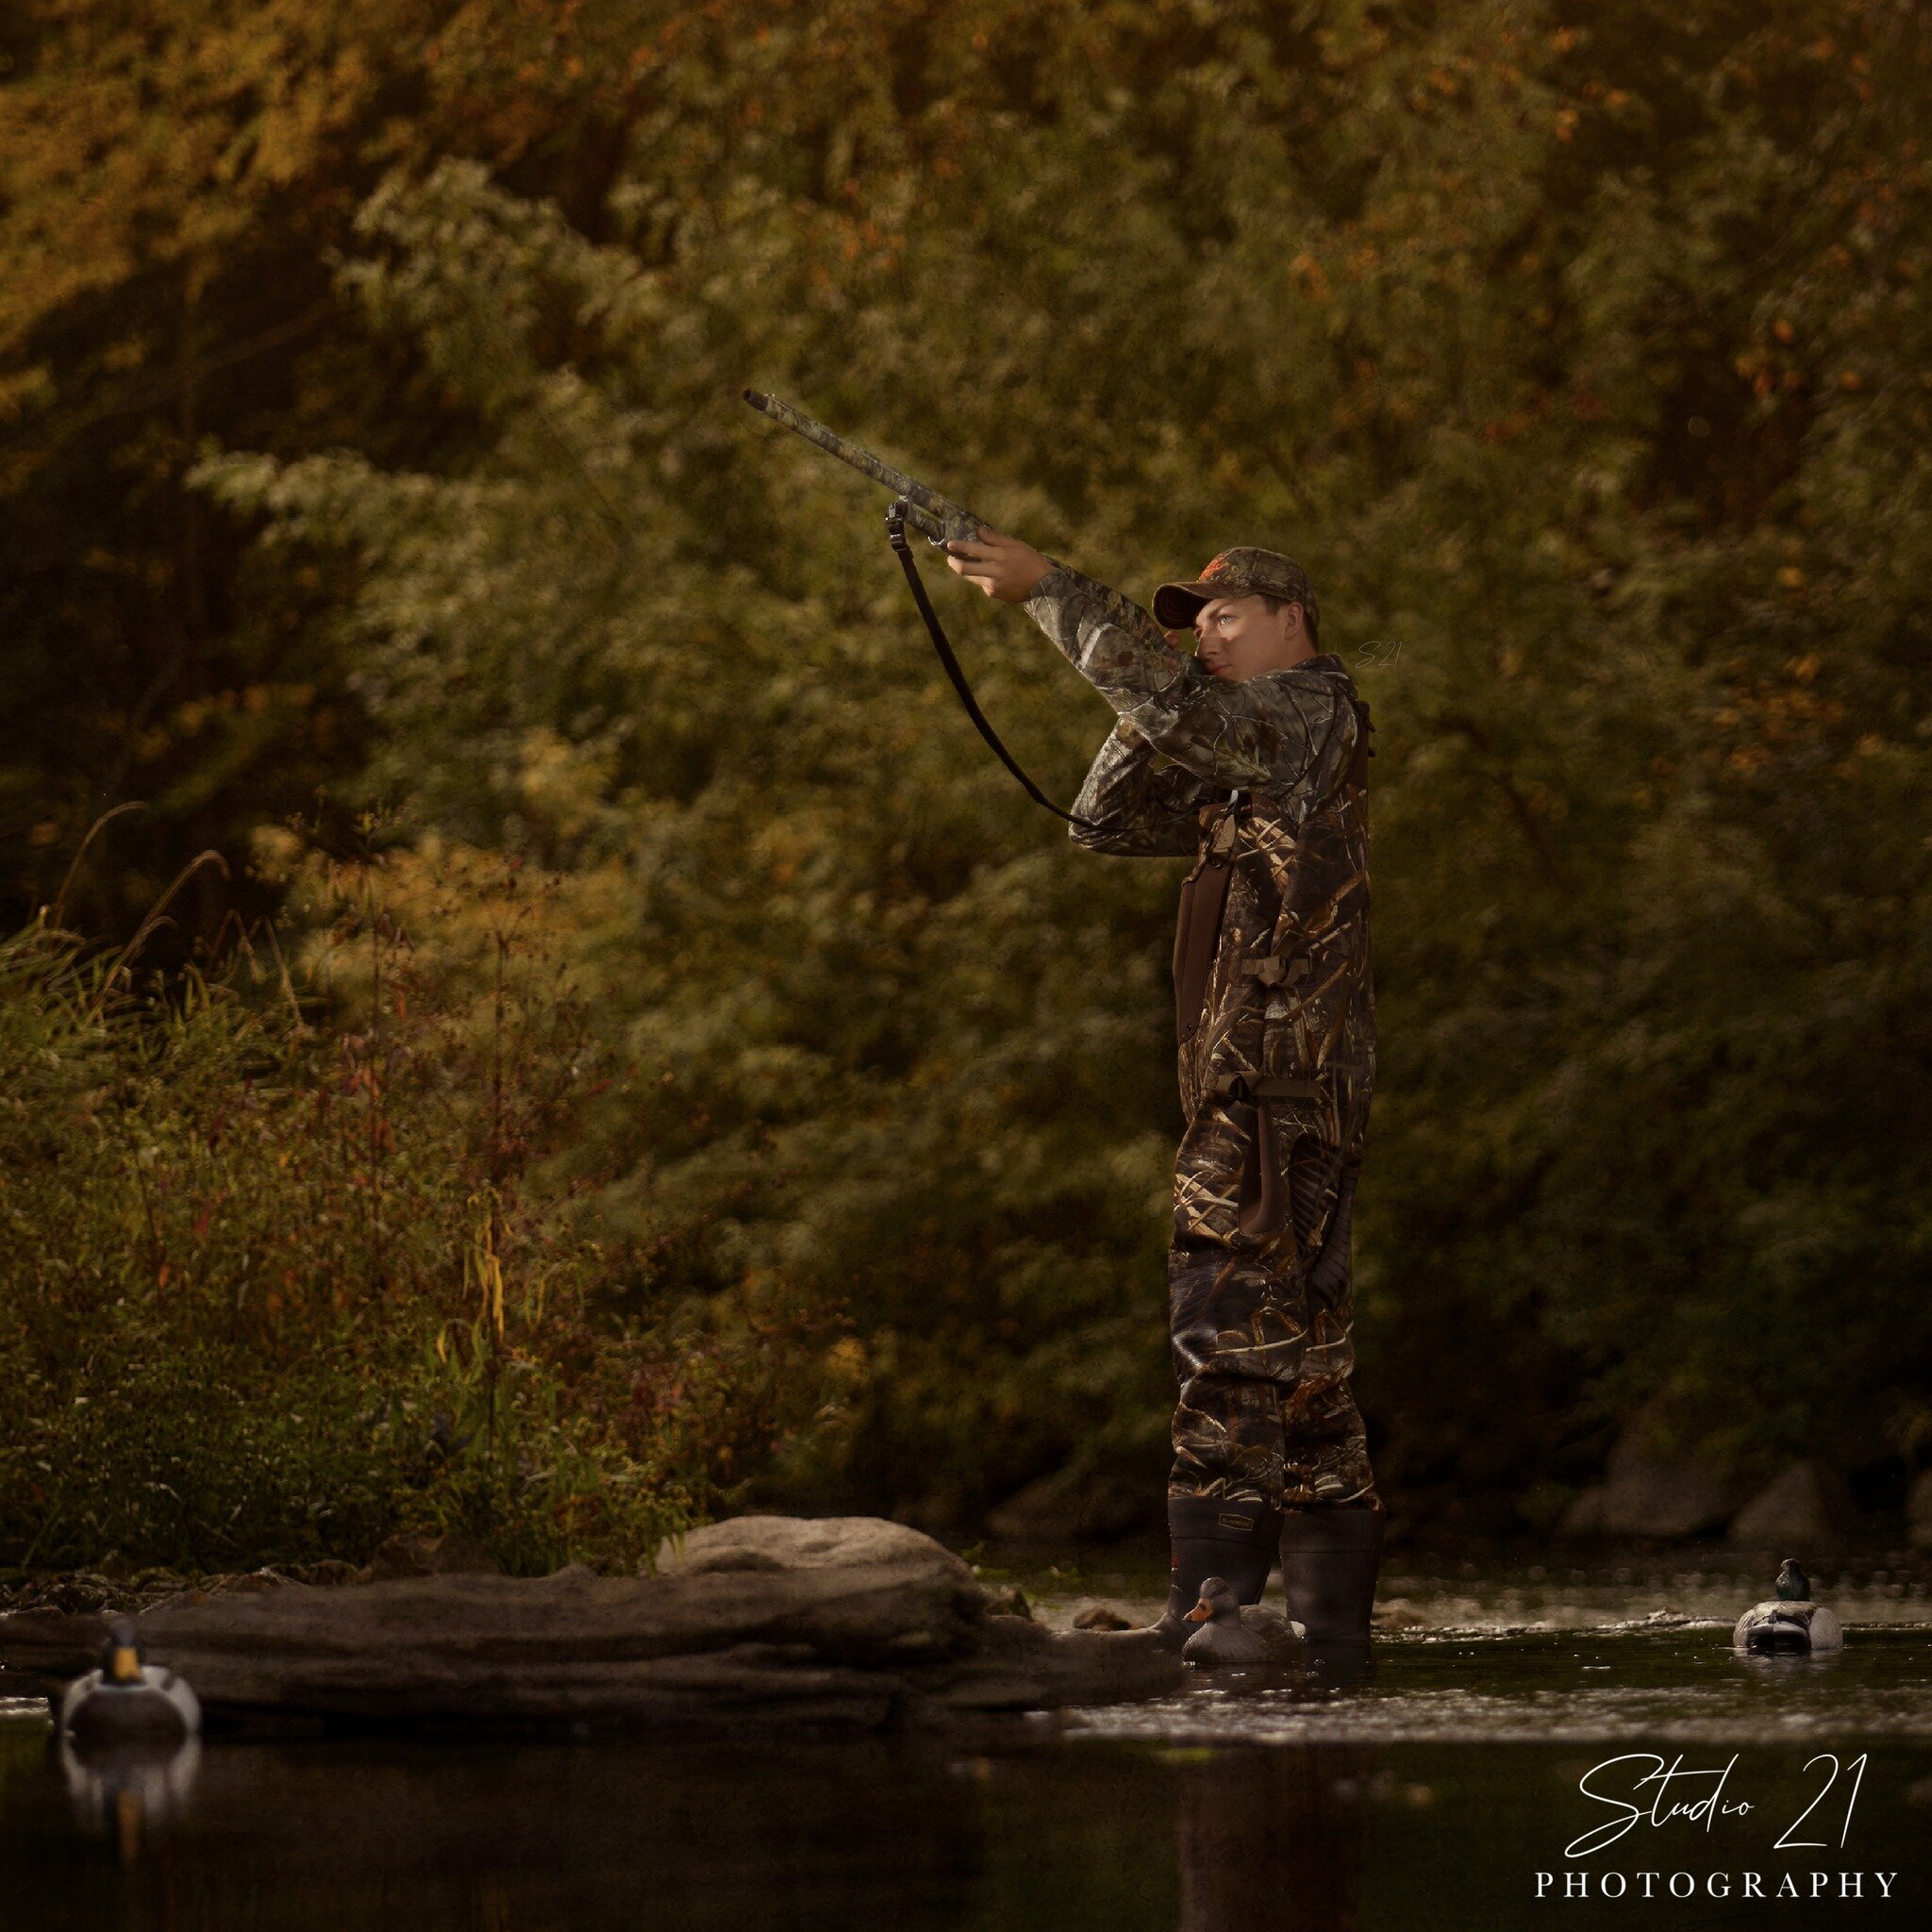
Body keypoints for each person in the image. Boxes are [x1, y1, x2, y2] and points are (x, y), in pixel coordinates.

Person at [946, 529, 1385, 1658]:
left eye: (1225, 614)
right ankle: (1323, 1635)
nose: (1207, 631)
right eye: (1195, 619)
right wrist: (1173, 677)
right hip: (1274, 1089)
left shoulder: (1308, 712)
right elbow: (1104, 812)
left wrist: (1051, 592)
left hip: (1268, 1095)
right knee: (1304, 1360)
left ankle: (1210, 1614)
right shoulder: (1247, 739)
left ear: (1292, 616)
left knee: (1223, 1331)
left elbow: (1196, 728)